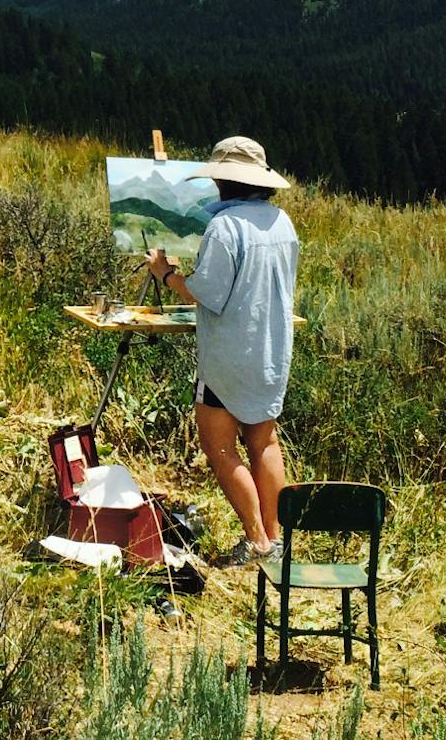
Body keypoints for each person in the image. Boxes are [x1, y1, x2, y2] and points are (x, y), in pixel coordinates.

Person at [145, 136, 298, 567]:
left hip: (230, 356)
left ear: (223, 181)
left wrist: (166, 274)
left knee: (220, 449)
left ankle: (256, 542)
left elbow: (204, 293)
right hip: (270, 351)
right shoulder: (281, 221)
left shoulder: (225, 227)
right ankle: (276, 538)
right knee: (264, 441)